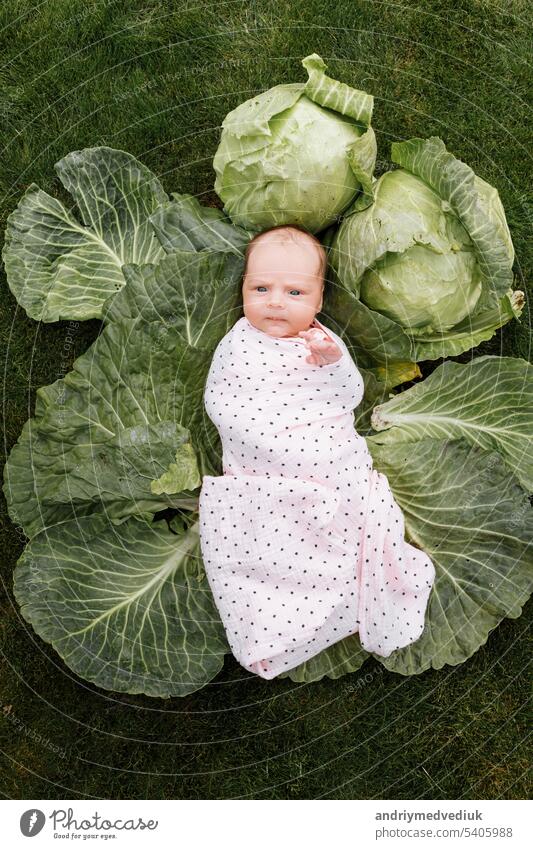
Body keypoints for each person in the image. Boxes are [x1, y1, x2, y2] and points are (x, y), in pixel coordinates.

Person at [198, 225, 436, 679]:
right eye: (260, 288)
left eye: (294, 291)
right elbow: (221, 402)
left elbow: (348, 396)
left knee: (345, 524)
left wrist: (332, 362)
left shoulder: (322, 343)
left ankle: (345, 591)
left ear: (318, 300)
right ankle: (290, 612)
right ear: (244, 290)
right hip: (263, 470)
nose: (275, 302)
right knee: (267, 548)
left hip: (328, 459)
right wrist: (263, 439)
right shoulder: (238, 344)